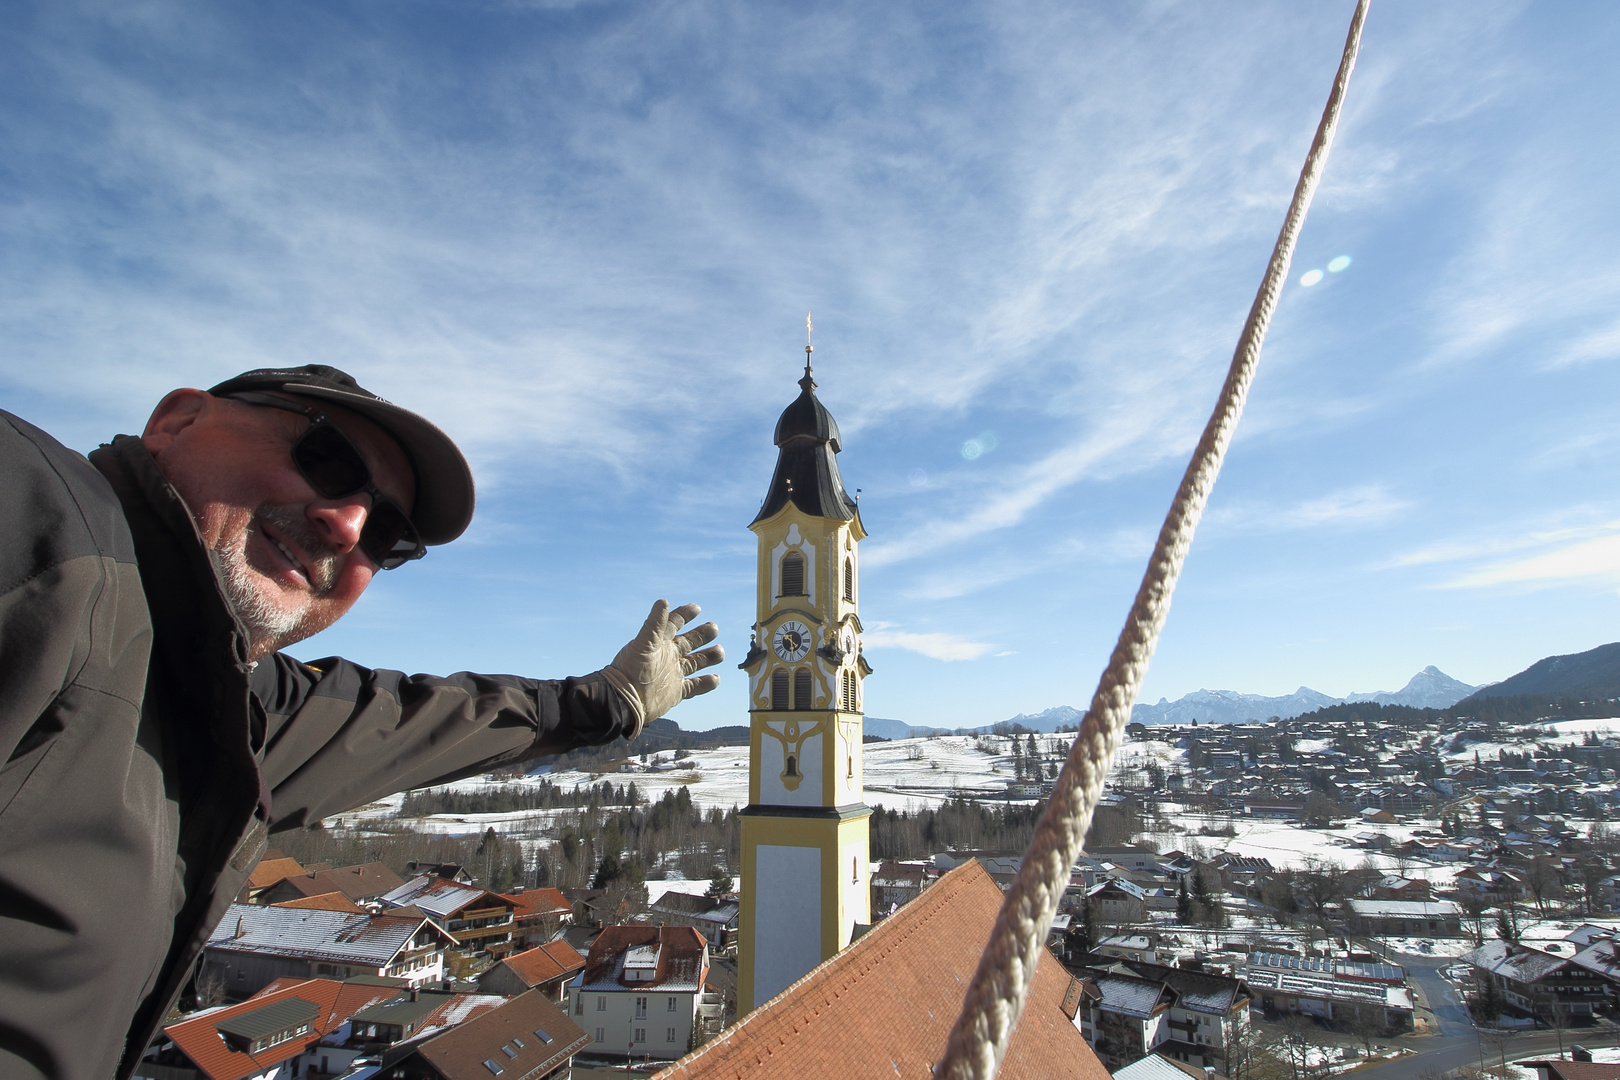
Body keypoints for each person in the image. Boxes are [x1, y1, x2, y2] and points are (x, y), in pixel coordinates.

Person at [0, 364, 723, 1080]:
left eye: (389, 535)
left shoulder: (238, 706)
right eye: (325, 457)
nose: (347, 524)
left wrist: (605, 700)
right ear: (177, 420)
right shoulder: (43, 516)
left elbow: (407, 720)